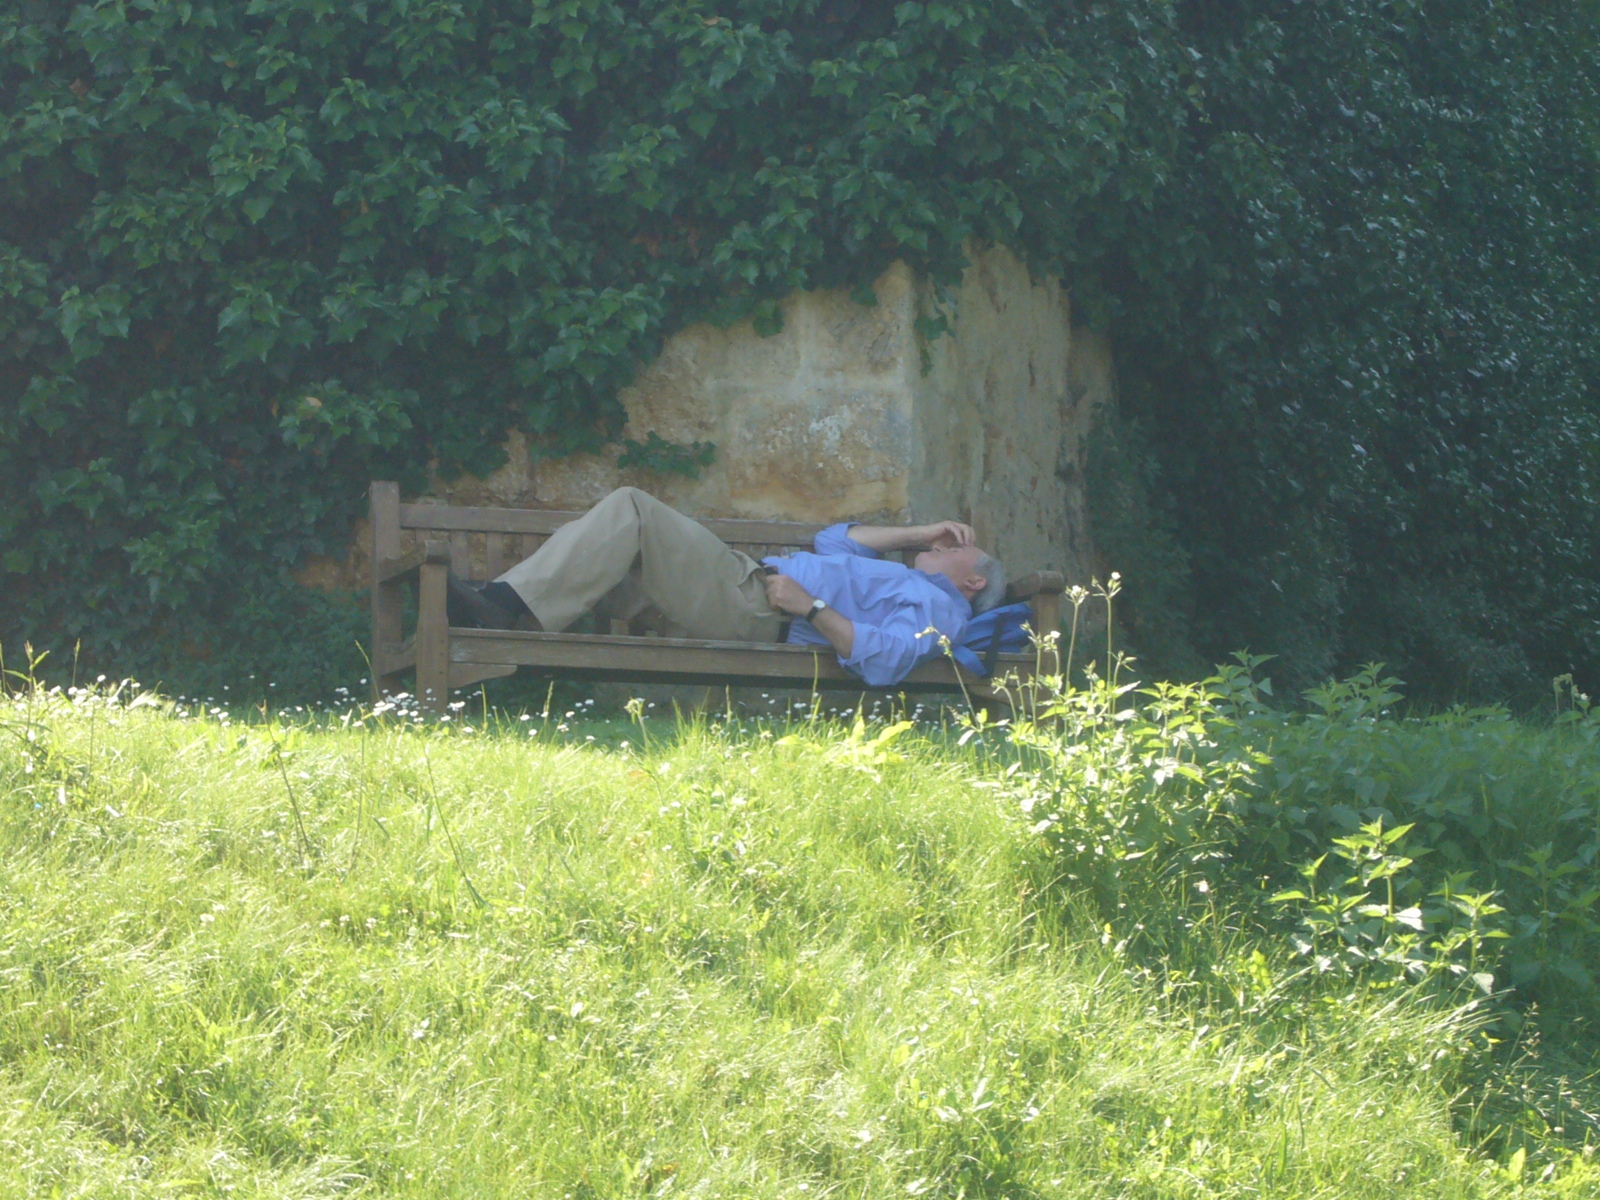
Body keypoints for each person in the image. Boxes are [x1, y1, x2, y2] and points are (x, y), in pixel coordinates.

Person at [446, 486, 1007, 687]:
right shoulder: (909, 576)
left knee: (632, 510)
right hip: (746, 586)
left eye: (952, 546)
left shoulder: (940, 609)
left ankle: (497, 608)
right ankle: (499, 613)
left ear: (974, 579)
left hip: (759, 606)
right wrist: (920, 533)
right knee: (605, 542)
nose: (940, 544)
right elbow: (834, 539)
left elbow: (885, 660)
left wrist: (810, 607)